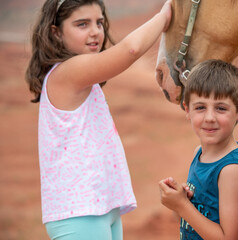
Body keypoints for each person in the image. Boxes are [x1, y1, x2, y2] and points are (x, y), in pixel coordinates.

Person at [25, 0, 171, 239]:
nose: (95, 31)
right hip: (79, 215)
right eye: (82, 24)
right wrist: (166, 14)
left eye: (99, 23)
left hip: (100, 207)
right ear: (56, 33)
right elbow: (130, 50)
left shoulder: (79, 76)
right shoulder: (68, 72)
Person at [159, 59, 238, 240]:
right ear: (187, 109)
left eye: (220, 108)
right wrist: (179, 201)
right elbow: (192, 220)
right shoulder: (198, 153)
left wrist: (182, 205)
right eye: (200, 107)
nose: (209, 117)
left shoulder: (232, 170)